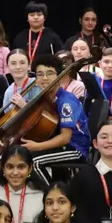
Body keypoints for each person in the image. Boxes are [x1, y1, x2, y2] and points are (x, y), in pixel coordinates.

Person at [21, 54, 89, 186]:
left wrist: (37, 146)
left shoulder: (66, 101)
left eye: (50, 73)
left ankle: (52, 195)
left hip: (75, 148)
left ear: (59, 76)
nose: (44, 78)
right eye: (40, 74)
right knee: (20, 156)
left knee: (33, 162)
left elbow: (65, 138)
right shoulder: (45, 98)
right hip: (59, 145)